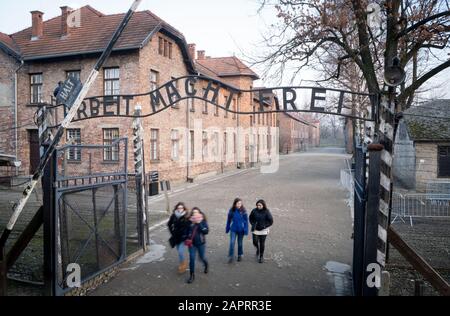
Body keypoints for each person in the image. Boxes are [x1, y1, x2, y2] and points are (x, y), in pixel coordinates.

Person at [186, 207, 209, 284]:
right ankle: (192, 275)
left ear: (199, 213)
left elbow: (206, 231)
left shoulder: (203, 221)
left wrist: (199, 223)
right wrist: (187, 236)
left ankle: (206, 264)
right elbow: (186, 231)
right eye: (194, 212)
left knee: (201, 258)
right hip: (192, 244)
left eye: (196, 212)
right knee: (192, 259)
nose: (195, 214)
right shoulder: (190, 221)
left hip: (201, 244)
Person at [168, 202, 191, 274]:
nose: (180, 209)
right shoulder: (173, 215)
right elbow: (169, 224)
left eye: (181, 208)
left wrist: (187, 235)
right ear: (176, 208)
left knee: (181, 252)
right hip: (176, 237)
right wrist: (172, 232)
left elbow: (189, 227)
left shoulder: (186, 216)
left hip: (183, 237)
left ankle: (183, 265)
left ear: (183, 208)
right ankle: (183, 262)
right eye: (178, 208)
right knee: (179, 251)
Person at [225, 198, 249, 263]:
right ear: (235, 203)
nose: (239, 205)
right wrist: (227, 228)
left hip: (241, 230)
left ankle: (239, 255)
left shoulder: (244, 211)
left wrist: (246, 229)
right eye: (238, 203)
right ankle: (231, 256)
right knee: (232, 242)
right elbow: (228, 220)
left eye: (240, 203)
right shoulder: (231, 210)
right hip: (233, 229)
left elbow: (246, 221)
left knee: (240, 243)